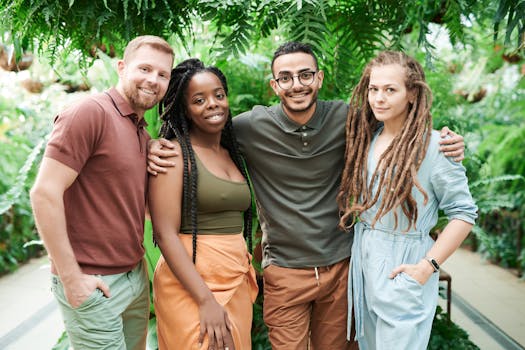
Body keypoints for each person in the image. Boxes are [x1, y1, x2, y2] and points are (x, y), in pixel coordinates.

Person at [147, 42, 465, 350]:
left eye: (305, 75)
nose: (296, 85)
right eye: (285, 78)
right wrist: (155, 145)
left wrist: (444, 140)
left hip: (341, 268)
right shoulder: (248, 128)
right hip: (284, 271)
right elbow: (202, 130)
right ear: (274, 85)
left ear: (319, 77)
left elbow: (399, 124)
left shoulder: (349, 119)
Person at [29, 35, 174, 350]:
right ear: (121, 67)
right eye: (145, 68)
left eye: (163, 74)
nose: (154, 79)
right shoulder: (88, 113)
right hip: (93, 282)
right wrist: (71, 279)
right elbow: (44, 193)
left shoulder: (140, 130)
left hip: (134, 276)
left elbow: (131, 205)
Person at [337, 51, 477, 350]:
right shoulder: (368, 137)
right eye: (373, 89)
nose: (379, 98)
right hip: (364, 260)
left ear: (412, 93)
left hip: (406, 264)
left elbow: (464, 213)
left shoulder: (436, 146)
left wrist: (427, 266)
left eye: (390, 90)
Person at [149, 58, 258, 350]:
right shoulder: (173, 155)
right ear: (184, 108)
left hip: (233, 277)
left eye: (218, 95)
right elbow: (164, 233)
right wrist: (206, 300)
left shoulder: (231, 152)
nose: (213, 104)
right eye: (199, 99)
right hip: (192, 284)